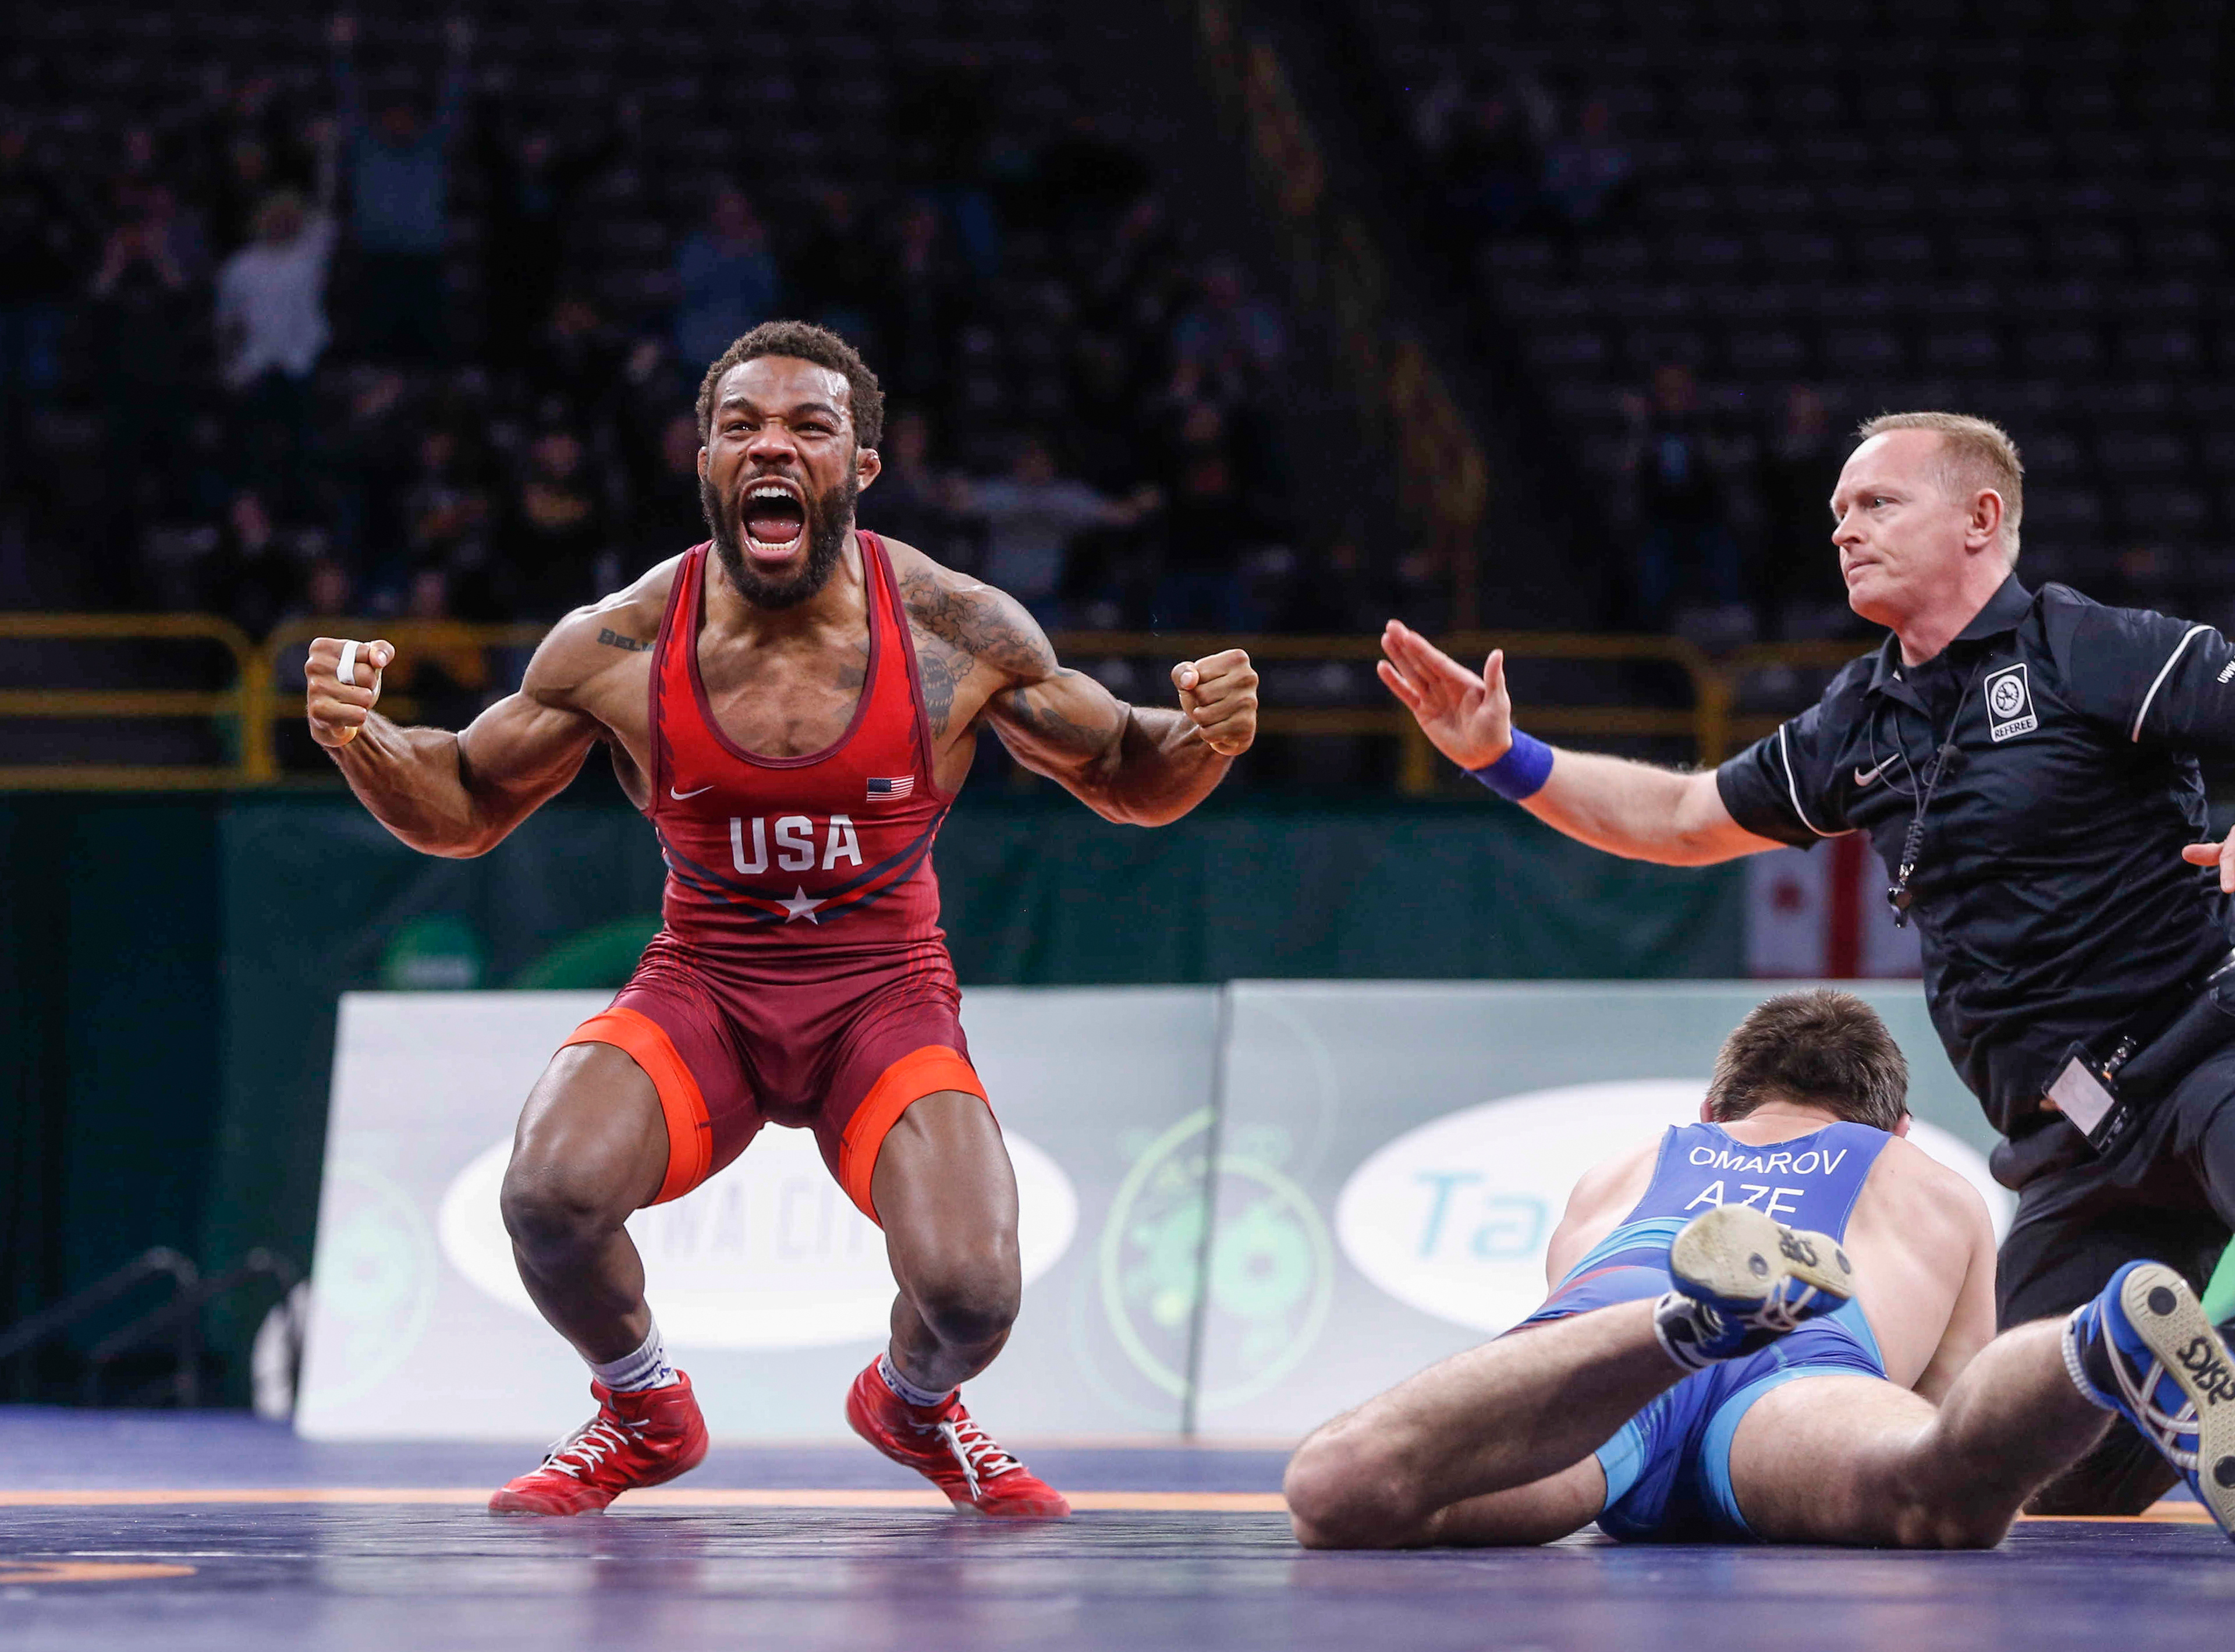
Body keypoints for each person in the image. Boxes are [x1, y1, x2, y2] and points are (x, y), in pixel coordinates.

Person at [301, 320, 1259, 1518]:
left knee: (972, 1293)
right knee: (547, 1196)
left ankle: (912, 1406)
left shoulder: (957, 632)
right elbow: (463, 811)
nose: (774, 447)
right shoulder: (620, 643)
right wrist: (360, 739)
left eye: (810, 427)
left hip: (885, 998)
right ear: (704, 461)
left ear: (859, 467)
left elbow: (1127, 772)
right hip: (705, 987)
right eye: (742, 426)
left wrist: (1207, 738)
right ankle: (642, 1410)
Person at [1377, 409, 2235, 1515]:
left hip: (2205, 1042)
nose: (1844, 530)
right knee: (2054, 1469)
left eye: (1878, 503)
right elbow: (1686, 816)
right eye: (1836, 513)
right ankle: (2190, 1358)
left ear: (1982, 519)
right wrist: (1505, 757)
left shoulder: (2089, 649)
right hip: (2070, 1136)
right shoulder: (1860, 720)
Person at [1284, 991, 2235, 1549]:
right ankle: (2097, 1343)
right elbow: (1957, 1421)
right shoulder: (1924, 1183)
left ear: (1714, 1107)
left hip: (1621, 1362)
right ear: (1893, 1128)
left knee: (1339, 1493)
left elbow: (1547, 1361)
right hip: (1799, 1377)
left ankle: (1684, 1322)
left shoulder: (1622, 1168)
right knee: (1935, 1496)